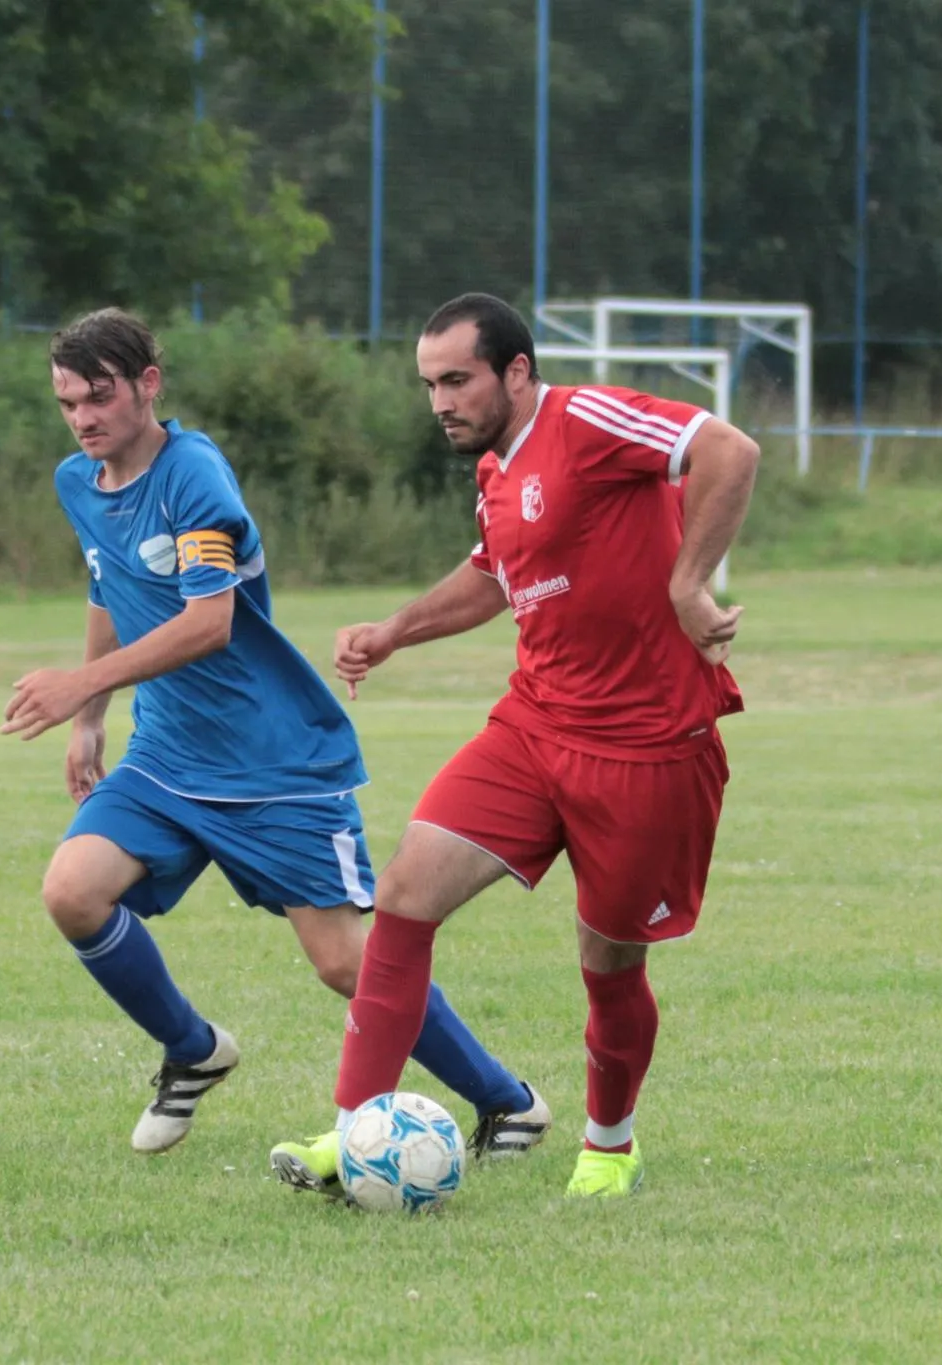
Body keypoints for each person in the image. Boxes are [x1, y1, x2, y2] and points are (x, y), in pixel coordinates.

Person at [3, 307, 548, 1156]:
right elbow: (107, 586)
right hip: (167, 754)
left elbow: (208, 623)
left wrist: (80, 683)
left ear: (148, 384)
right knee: (72, 892)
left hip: (275, 759)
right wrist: (90, 718)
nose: (82, 418)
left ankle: (507, 1102)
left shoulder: (192, 477)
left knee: (343, 963)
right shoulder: (79, 481)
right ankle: (192, 1050)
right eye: (67, 402)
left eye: (99, 397)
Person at [270, 293, 759, 1199]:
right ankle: (355, 1131)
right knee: (404, 895)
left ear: (517, 371)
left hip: (646, 744)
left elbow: (730, 450)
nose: (440, 402)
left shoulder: (589, 421)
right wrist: (394, 630)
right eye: (429, 385)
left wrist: (688, 583)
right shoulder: (497, 469)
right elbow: (496, 571)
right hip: (534, 727)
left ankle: (608, 1146)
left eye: (457, 380)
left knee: (608, 961)